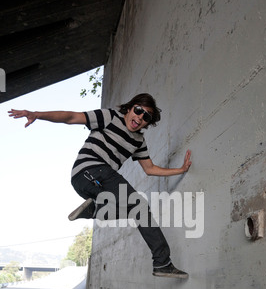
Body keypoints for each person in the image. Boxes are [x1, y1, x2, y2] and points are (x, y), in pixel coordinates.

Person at [8, 93, 192, 278]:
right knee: (140, 206)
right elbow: (72, 117)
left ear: (147, 123)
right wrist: (37, 114)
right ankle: (162, 263)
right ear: (129, 108)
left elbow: (150, 169)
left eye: (146, 117)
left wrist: (181, 169)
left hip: (85, 183)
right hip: (92, 170)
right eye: (138, 111)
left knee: (139, 211)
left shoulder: (138, 142)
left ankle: (94, 209)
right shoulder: (110, 116)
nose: (139, 118)